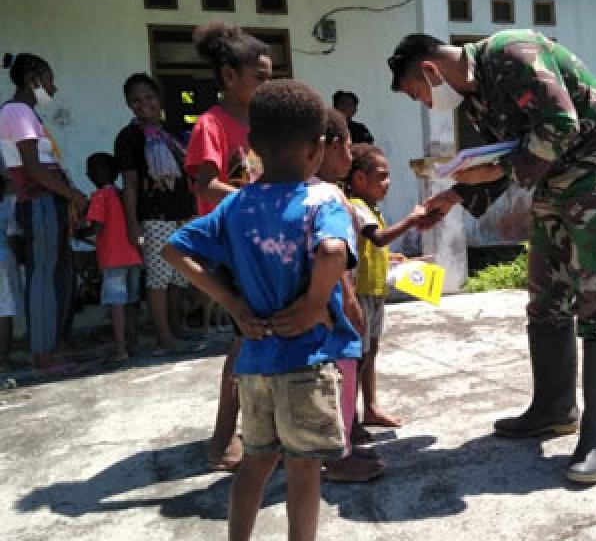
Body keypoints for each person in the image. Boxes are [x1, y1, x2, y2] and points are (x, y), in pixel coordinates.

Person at [388, 30, 596, 484]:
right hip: (556, 182)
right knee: (546, 296)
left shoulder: (513, 52)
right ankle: (553, 408)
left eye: (419, 96)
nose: (428, 106)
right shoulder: (476, 100)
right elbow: (502, 159)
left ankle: (594, 437)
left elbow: (561, 126)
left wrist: (501, 168)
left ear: (431, 71)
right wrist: (450, 197)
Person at [163, 78, 361, 541]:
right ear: (317, 148)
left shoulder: (236, 205)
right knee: (304, 468)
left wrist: (233, 304)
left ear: (252, 146)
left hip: (253, 362)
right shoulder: (322, 200)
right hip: (307, 362)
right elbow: (333, 252)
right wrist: (314, 305)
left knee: (255, 461)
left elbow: (175, 249)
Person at [184, 22, 272, 471]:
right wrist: (253, 196)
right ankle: (222, 438)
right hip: (227, 246)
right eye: (260, 76)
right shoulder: (211, 125)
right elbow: (205, 184)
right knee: (244, 337)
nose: (266, 84)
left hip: (260, 244)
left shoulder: (261, 124)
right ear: (229, 75)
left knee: (258, 336)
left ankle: (255, 429)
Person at [0, 53, 86, 366]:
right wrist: (73, 195)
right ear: (32, 80)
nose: (54, 88)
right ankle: (42, 352)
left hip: (50, 202)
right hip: (40, 202)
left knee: (57, 272)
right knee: (44, 276)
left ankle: (53, 343)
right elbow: (34, 169)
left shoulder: (27, 114)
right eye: (50, 79)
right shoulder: (18, 112)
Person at [313, 107, 383, 483]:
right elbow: (333, 252)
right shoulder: (328, 196)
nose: (350, 155)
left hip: (310, 304)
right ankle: (339, 455)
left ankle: (341, 439)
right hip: (335, 301)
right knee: (342, 373)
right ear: (330, 146)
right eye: (348, 147)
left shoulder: (290, 191)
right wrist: (348, 298)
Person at [114, 73, 197, 355]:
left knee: (180, 275)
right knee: (159, 277)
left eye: (148, 98)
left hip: (183, 210)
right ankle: (164, 336)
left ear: (159, 99)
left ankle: (178, 326)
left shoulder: (175, 131)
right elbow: (131, 184)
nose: (143, 104)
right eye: (136, 100)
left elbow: (192, 171)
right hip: (153, 214)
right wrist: (132, 224)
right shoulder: (129, 138)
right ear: (128, 104)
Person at [347, 143, 427, 429]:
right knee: (358, 358)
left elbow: (373, 246)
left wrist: (391, 259)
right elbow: (378, 238)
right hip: (361, 294)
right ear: (359, 179)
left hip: (375, 291)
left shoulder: (370, 208)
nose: (387, 182)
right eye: (381, 176)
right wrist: (411, 219)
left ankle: (370, 408)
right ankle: (351, 419)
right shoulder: (356, 206)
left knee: (370, 353)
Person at [84, 152, 143, 363]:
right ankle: (134, 341)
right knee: (132, 302)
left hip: (112, 258)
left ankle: (120, 348)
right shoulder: (122, 193)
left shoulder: (99, 196)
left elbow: (96, 227)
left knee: (116, 303)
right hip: (133, 255)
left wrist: (78, 233)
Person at [0, 168, 21, 371]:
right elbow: (14, 237)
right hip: (4, 260)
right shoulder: (9, 205)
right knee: (4, 311)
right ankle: (4, 360)